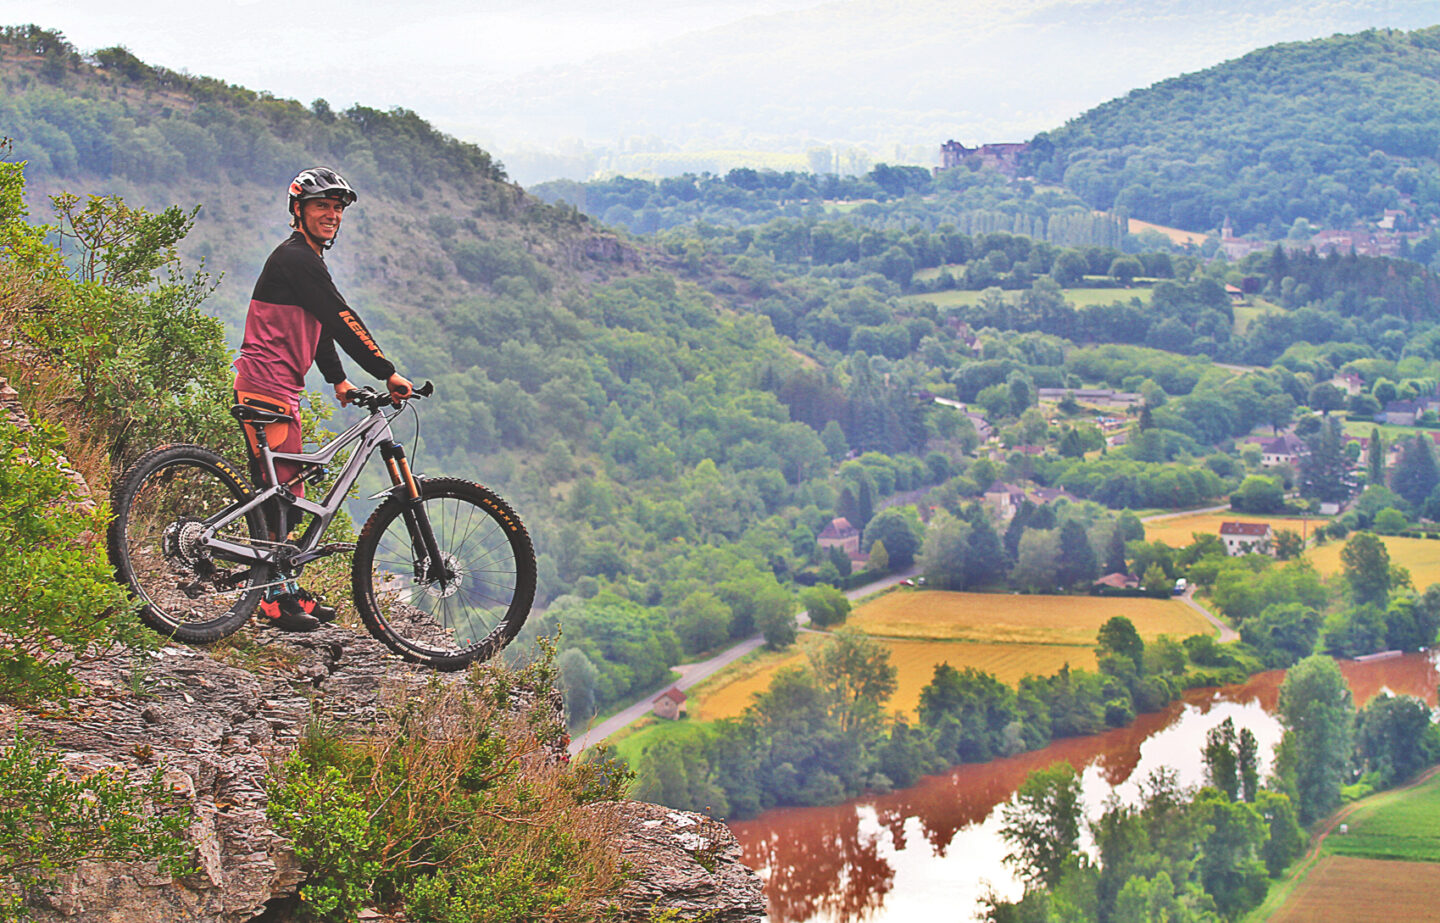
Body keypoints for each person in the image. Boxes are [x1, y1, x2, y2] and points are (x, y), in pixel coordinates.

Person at [233, 167, 413, 631]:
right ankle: (272, 599)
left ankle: (285, 590)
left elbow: (315, 327)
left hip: (277, 386)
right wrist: (385, 371)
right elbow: (339, 318)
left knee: (289, 489)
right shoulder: (297, 259)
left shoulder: (305, 260)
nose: (332, 215)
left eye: (337, 208)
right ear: (298, 210)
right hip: (267, 386)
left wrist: (337, 380)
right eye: (321, 206)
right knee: (280, 494)